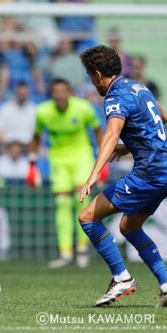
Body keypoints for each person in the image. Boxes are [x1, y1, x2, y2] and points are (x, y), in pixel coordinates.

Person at [78, 45, 167, 308]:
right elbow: (162, 118)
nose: (92, 83)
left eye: (89, 77)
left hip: (149, 174)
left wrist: (93, 175)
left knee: (87, 217)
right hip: (163, 170)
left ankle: (122, 277)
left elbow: (111, 133)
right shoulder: (139, 87)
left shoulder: (115, 96)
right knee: (129, 227)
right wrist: (132, 146)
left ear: (97, 74)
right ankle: (165, 284)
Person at [27, 79, 103, 269]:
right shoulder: (43, 112)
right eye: (56, 91)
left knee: (81, 200)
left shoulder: (84, 108)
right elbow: (36, 137)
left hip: (81, 156)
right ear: (52, 94)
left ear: (70, 93)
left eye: (63, 91)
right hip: (58, 159)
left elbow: (98, 131)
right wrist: (32, 165)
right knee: (62, 204)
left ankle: (82, 249)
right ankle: (66, 253)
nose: (60, 95)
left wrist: (102, 160)